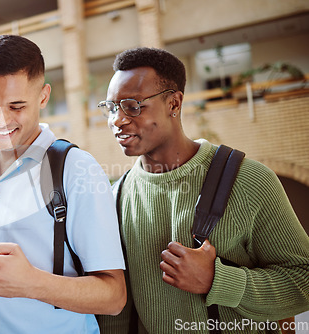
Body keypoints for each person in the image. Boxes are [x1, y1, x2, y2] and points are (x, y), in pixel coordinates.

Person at [96, 47, 309, 333]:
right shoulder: (117, 198)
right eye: (111, 107)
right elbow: (119, 312)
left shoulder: (249, 180)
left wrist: (217, 281)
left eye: (133, 106)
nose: (117, 120)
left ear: (174, 103)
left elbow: (303, 280)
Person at [0, 34, 126, 333]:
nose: (0, 120)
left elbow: (113, 297)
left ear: (43, 96)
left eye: (16, 106)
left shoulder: (77, 169)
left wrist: (31, 282)